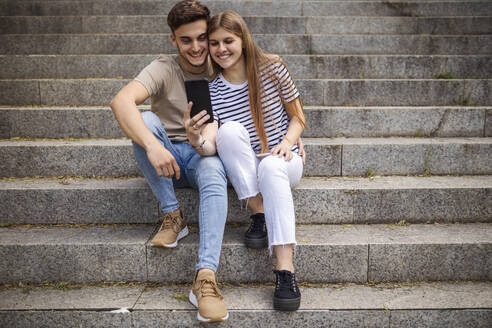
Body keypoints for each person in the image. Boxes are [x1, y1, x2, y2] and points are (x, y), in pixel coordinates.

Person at [109, 1, 228, 323]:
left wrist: (291, 132)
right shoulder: (163, 67)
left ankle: (205, 277)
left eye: (202, 37)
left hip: (206, 156)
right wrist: (152, 146)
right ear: (174, 39)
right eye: (186, 39)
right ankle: (172, 215)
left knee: (215, 169)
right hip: (167, 160)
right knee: (145, 122)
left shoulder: (224, 61)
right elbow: (120, 100)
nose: (197, 47)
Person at [190, 10, 306, 311]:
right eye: (214, 43)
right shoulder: (212, 89)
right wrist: (196, 140)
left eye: (228, 40)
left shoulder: (273, 68)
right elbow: (214, 142)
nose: (221, 49)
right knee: (228, 131)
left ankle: (285, 271)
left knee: (270, 165)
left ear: (243, 39)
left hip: (283, 159)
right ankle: (259, 212)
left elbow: (298, 117)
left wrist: (287, 142)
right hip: (248, 165)